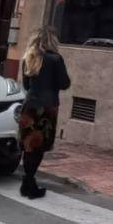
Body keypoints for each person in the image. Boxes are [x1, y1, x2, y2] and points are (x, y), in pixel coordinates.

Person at [16, 26, 70, 199]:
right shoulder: (55, 59)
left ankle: (27, 182)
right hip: (47, 107)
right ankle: (29, 183)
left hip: (30, 105)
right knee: (39, 147)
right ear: (52, 40)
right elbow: (64, 83)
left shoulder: (28, 57)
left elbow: (26, 85)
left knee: (29, 145)